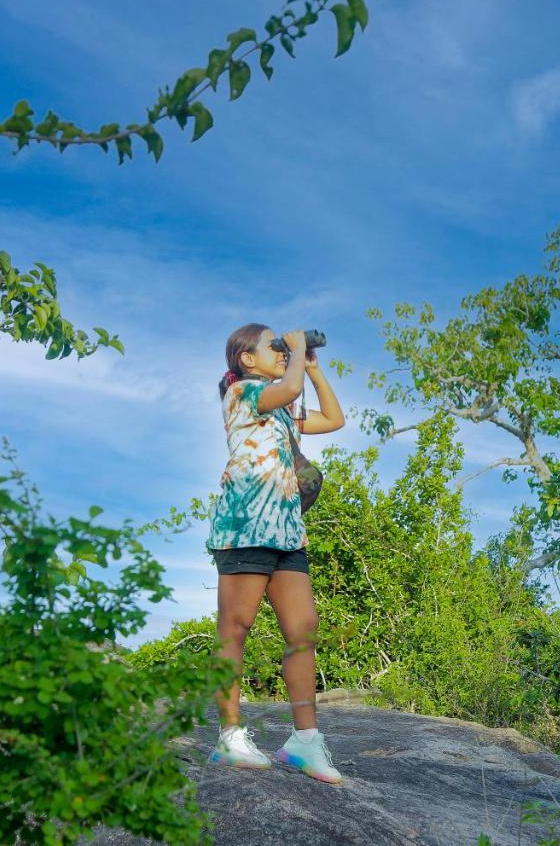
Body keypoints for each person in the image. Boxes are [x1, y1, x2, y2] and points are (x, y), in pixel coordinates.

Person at [205, 323, 346, 785]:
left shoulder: (283, 409)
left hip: (286, 531)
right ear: (247, 359)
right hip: (245, 526)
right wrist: (297, 351)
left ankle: (304, 742)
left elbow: (333, 419)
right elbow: (287, 388)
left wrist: (312, 369)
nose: (282, 353)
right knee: (236, 627)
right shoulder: (242, 393)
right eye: (275, 347)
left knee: (303, 628)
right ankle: (230, 736)